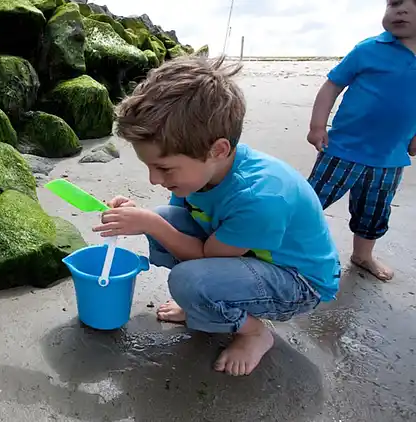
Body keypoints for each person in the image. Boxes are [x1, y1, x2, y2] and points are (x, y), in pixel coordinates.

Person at [92, 56, 341, 377]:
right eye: (150, 167)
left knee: (186, 278)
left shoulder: (261, 197)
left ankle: (253, 333)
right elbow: (179, 222)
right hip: (250, 256)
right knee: (164, 218)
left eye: (164, 168)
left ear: (218, 149)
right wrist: (139, 215)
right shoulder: (202, 170)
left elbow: (204, 255)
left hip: (299, 282)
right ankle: (207, 301)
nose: (154, 179)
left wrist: (147, 224)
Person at [306, 0, 416, 281]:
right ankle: (283, 246)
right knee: (310, 202)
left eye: (411, 5)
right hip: (342, 149)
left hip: (390, 159)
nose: (399, 10)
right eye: (393, 3)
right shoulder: (369, 49)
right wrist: (318, 125)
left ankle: (363, 255)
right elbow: (332, 84)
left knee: (374, 212)